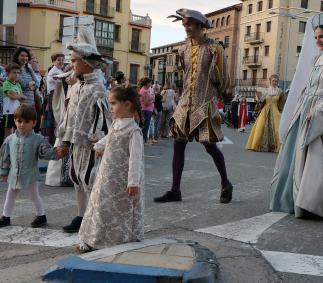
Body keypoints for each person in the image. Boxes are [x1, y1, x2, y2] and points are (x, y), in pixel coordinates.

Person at [154, 9, 233, 203]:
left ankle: (226, 183)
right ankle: (175, 189)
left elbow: (221, 77)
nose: (186, 28)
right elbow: (186, 74)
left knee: (209, 146)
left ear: (200, 25)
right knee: (178, 144)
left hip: (205, 103)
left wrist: (225, 95)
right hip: (185, 103)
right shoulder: (184, 49)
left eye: (189, 25)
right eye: (184, 25)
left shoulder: (215, 48)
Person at [58, 27, 112, 233]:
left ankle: (93, 218)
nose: (71, 65)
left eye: (74, 61)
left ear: (86, 63)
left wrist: (98, 144)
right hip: (75, 143)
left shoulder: (97, 89)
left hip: (91, 145)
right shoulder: (76, 87)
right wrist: (63, 141)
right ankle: (81, 216)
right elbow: (68, 115)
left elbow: (103, 121)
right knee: (77, 177)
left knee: (90, 178)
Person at [78, 86, 144, 253]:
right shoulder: (117, 124)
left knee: (119, 211)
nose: (111, 107)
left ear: (127, 104)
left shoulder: (134, 131)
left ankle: (118, 239)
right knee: (99, 206)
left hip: (122, 181)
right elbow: (109, 138)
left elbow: (136, 159)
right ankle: (94, 238)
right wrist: (99, 145)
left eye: (113, 103)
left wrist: (133, 182)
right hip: (106, 176)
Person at [270, 15, 323, 218]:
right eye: (317, 37)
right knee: (295, 156)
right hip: (306, 111)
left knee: (315, 159)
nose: (319, 40)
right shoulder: (316, 59)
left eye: (322, 37)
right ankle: (298, 201)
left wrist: (317, 110)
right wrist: (302, 107)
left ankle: (313, 204)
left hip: (318, 112)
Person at [0, 104, 66, 228]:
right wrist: (4, 172)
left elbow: (45, 152)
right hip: (14, 174)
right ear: (14, 121)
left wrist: (57, 152)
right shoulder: (10, 139)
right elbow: (5, 158)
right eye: (19, 121)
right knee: (10, 194)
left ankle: (41, 216)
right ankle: (5, 217)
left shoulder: (38, 139)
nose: (22, 124)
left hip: (31, 174)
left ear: (34, 123)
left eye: (26, 121)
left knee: (33, 195)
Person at [245, 75, 285, 152]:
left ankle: (276, 146)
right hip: (265, 111)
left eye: (276, 81)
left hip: (275, 111)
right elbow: (262, 101)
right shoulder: (266, 91)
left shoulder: (280, 92)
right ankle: (256, 145)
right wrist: (258, 98)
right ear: (270, 81)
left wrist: (280, 112)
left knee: (277, 129)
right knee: (260, 127)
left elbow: (281, 103)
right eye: (273, 81)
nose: (274, 82)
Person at [43, 53, 65, 145]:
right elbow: (62, 80)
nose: (61, 61)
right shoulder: (55, 71)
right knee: (54, 116)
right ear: (53, 62)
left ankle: (53, 138)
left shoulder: (59, 70)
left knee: (54, 117)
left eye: (62, 60)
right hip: (54, 94)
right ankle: (50, 139)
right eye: (58, 60)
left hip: (57, 94)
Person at [2, 63, 26, 138]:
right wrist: (18, 96)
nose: (16, 74)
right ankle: (6, 148)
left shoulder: (18, 84)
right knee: (8, 132)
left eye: (18, 72)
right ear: (8, 73)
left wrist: (18, 96)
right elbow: (12, 96)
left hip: (17, 112)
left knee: (16, 131)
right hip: (8, 112)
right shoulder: (6, 83)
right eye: (14, 72)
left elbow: (22, 97)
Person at [138, 77, 154, 144]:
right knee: (145, 125)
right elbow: (146, 102)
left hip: (148, 110)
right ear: (147, 83)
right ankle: (143, 140)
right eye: (150, 82)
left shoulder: (148, 90)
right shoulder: (144, 91)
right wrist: (153, 100)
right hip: (145, 110)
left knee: (146, 125)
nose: (151, 84)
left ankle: (144, 139)